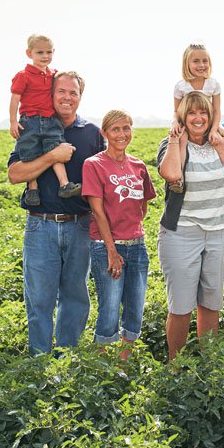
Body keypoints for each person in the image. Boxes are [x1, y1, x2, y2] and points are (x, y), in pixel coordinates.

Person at [8, 71, 105, 354]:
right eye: (61, 91)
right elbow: (15, 174)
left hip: (80, 225)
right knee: (39, 299)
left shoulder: (92, 134)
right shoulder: (32, 127)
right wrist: (52, 156)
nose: (67, 97)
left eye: (73, 92)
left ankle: (67, 357)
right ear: (50, 94)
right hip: (41, 225)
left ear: (80, 97)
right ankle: (40, 360)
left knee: (75, 296)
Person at [159, 91, 224, 360]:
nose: (198, 118)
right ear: (182, 117)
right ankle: (175, 363)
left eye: (203, 113)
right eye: (191, 113)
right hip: (182, 233)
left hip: (220, 231)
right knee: (181, 305)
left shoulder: (218, 143)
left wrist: (222, 132)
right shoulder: (171, 143)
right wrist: (177, 140)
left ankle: (208, 362)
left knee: (211, 302)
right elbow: (172, 174)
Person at [82, 110, 156, 357]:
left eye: (126, 128)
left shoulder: (138, 166)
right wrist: (112, 250)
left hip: (137, 244)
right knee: (110, 308)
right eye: (115, 129)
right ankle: (102, 365)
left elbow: (143, 205)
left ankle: (123, 363)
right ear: (104, 133)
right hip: (106, 246)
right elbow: (98, 211)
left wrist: (133, 230)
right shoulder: (94, 165)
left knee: (135, 307)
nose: (122, 134)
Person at [8, 34, 80, 206]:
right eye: (40, 52)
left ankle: (65, 185)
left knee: (56, 148)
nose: (45, 56)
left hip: (49, 120)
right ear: (29, 53)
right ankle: (32, 189)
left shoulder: (53, 74)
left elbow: (64, 83)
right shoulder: (23, 75)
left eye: (49, 52)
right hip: (29, 121)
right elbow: (15, 99)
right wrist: (12, 121)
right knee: (30, 154)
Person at [168, 44, 224, 194]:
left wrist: (214, 129)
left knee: (220, 144)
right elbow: (176, 111)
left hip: (208, 123)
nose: (201, 65)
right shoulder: (181, 86)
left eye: (205, 61)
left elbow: (216, 110)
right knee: (182, 141)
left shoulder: (213, 84)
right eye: (196, 61)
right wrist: (175, 123)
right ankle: (180, 179)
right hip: (187, 124)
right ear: (187, 64)